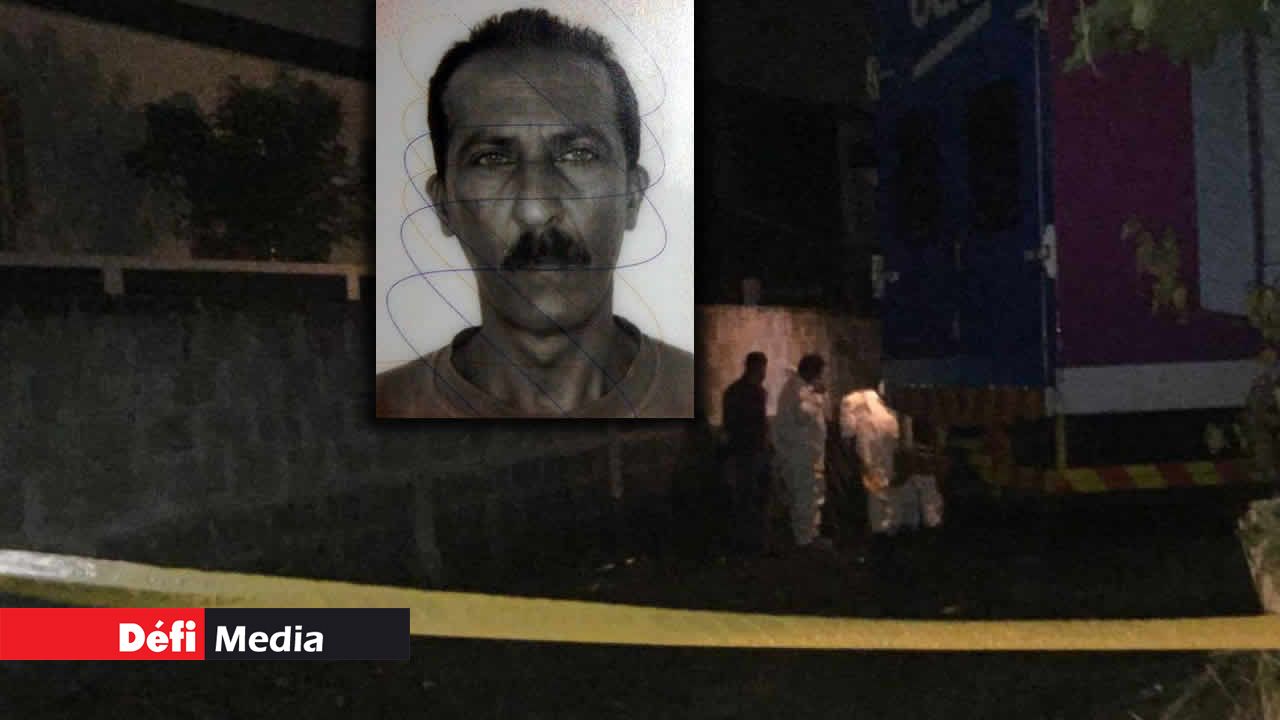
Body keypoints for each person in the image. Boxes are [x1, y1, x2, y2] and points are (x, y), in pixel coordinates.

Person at [376, 8, 694, 419]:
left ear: (632, 197)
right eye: (492, 159)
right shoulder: (386, 406)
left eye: (579, 155)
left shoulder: (698, 395)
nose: (535, 209)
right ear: (444, 206)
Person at [772, 354, 830, 549]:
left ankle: (810, 535)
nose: (820, 378)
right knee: (804, 497)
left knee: (810, 495)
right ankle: (805, 540)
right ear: (811, 371)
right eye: (819, 373)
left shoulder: (800, 388)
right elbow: (804, 416)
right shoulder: (797, 389)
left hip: (806, 454)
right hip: (800, 455)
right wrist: (818, 395)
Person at [721, 352, 771, 552]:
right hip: (750, 452)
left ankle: (748, 542)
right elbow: (754, 424)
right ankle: (753, 542)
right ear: (757, 368)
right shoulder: (753, 392)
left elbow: (729, 425)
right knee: (753, 498)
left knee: (747, 498)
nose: (764, 373)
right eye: (763, 368)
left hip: (744, 451)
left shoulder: (734, 391)